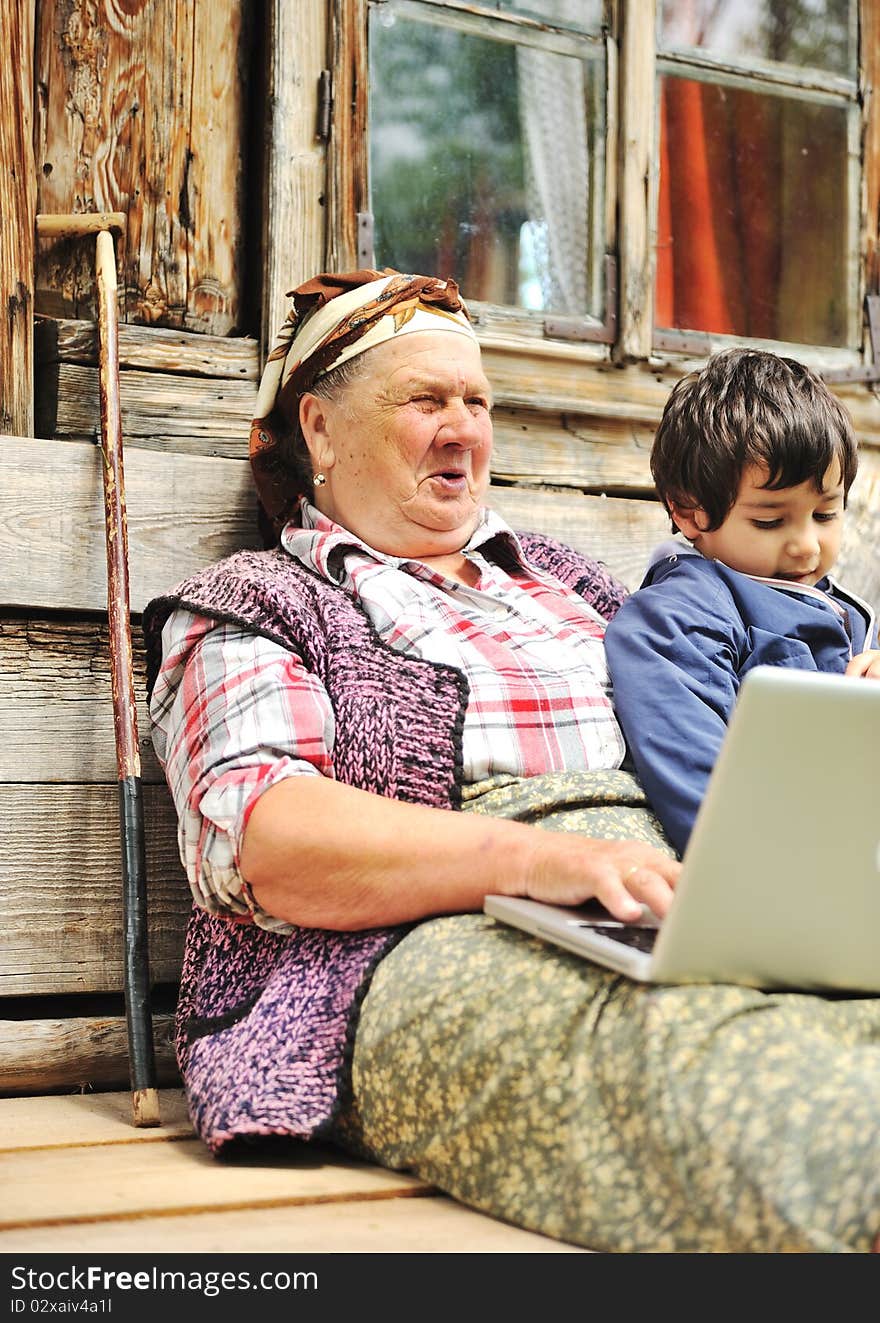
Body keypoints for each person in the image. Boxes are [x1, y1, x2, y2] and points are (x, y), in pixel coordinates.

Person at [144, 270, 880, 1254]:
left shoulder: (568, 582)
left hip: (673, 896)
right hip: (418, 941)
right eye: (425, 401)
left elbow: (734, 725)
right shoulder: (260, 602)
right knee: (718, 1060)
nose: (462, 429)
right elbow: (266, 843)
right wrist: (546, 862)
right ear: (319, 429)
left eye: (477, 402)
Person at [605, 348, 880, 855]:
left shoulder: (851, 614)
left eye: (826, 514)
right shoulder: (674, 624)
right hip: (791, 870)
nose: (806, 546)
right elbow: (712, 801)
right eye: (770, 521)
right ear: (690, 512)